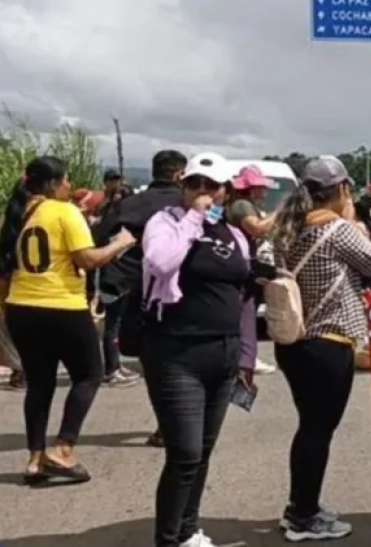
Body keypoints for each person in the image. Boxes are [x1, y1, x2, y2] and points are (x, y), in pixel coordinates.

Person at [0, 156, 136, 484]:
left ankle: (34, 458)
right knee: (90, 374)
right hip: (61, 306)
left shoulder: (14, 216)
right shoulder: (65, 212)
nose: (69, 187)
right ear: (52, 184)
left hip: (21, 307)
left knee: (40, 382)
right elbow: (87, 259)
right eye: (66, 181)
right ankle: (63, 448)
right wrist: (120, 243)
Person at [140, 152, 253, 547]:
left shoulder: (233, 234)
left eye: (212, 185)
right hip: (175, 352)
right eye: (195, 184)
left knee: (202, 452)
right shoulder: (166, 223)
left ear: (225, 191)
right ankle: (168, 540)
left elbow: (242, 293)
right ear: (183, 186)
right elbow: (160, 262)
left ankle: (188, 531)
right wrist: (192, 218)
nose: (203, 192)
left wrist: (246, 355)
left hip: (222, 352)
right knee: (185, 452)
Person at [271, 156, 371, 541]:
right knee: (318, 431)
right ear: (341, 190)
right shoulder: (339, 229)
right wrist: (355, 222)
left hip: (295, 342)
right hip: (329, 342)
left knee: (309, 428)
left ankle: (300, 505)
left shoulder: (288, 226)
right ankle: (303, 515)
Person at [97, 150, 187, 441]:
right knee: (182, 359)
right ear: (179, 174)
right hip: (179, 290)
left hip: (135, 290)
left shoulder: (130, 203)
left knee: (153, 362)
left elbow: (98, 235)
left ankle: (165, 424)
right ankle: (179, 423)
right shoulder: (185, 204)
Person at [226, 165, 279, 376]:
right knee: (246, 312)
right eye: (261, 187)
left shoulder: (240, 204)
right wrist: (279, 212)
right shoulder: (242, 206)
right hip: (242, 264)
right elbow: (258, 228)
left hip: (242, 262)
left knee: (245, 310)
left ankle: (243, 356)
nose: (264, 192)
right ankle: (247, 359)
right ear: (252, 189)